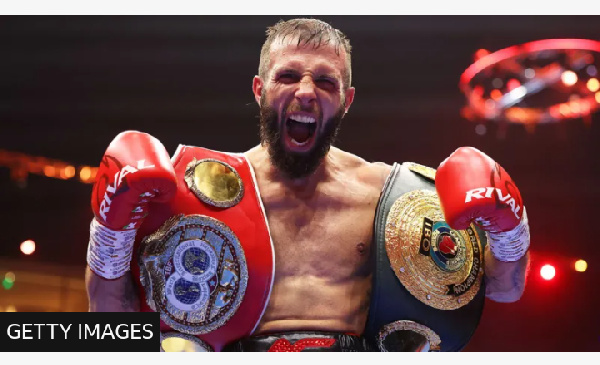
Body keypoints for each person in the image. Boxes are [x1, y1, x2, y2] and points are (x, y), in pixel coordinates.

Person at [85, 18, 530, 352]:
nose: (305, 91)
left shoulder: (389, 197)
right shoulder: (191, 195)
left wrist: (512, 232)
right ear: (259, 89)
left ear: (346, 100)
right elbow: (110, 319)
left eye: (324, 81)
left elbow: (506, 290)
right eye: (287, 76)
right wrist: (110, 231)